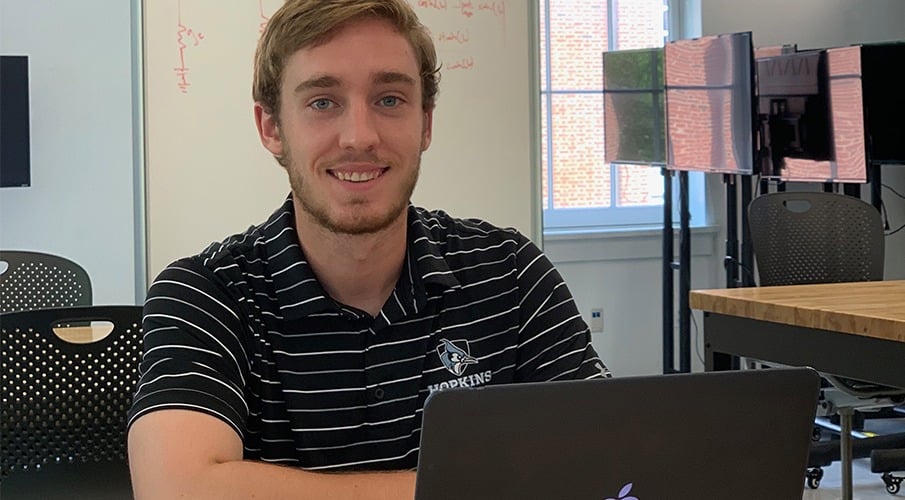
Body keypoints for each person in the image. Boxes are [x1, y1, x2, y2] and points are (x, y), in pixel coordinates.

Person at [126, 1, 609, 498]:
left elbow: (606, 459)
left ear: (425, 123)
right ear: (271, 127)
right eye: (322, 102)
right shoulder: (205, 294)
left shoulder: (508, 271)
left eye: (390, 99)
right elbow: (177, 488)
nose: (360, 136)